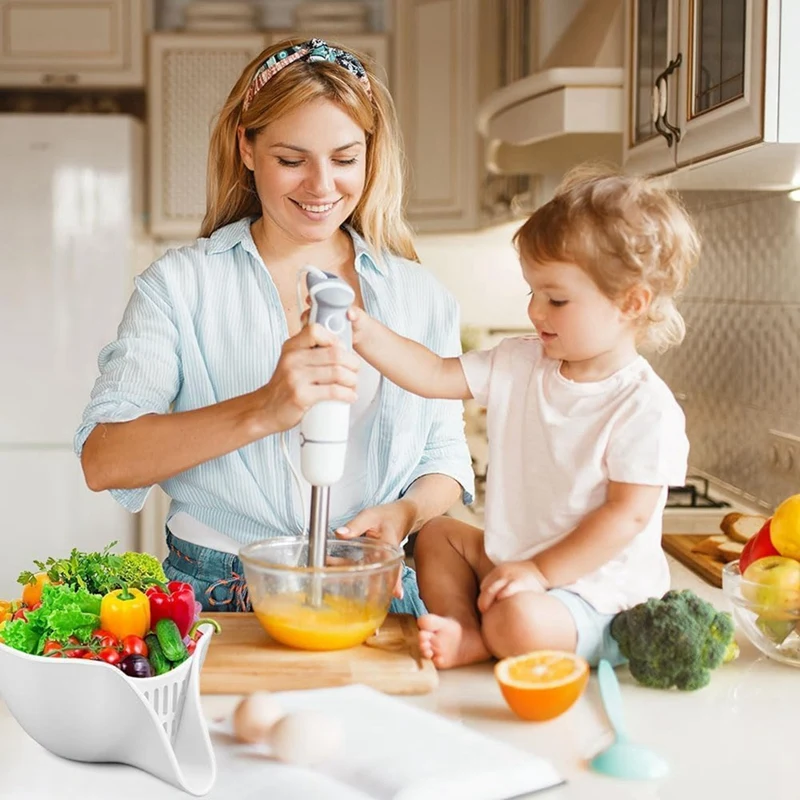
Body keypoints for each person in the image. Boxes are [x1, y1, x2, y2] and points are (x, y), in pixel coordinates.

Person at [75, 38, 474, 615]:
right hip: (217, 591)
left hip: (371, 586)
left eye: (344, 159)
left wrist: (404, 515)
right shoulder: (182, 287)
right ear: (247, 147)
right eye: (292, 160)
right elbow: (103, 460)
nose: (321, 186)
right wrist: (265, 407)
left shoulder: (419, 295)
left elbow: (444, 454)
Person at [347, 166, 701, 668]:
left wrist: (539, 572)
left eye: (556, 299)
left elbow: (627, 517)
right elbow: (432, 373)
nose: (536, 311)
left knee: (519, 620)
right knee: (436, 534)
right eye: (533, 292)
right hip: (521, 569)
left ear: (631, 303)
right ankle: (466, 631)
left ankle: (492, 636)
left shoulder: (645, 408)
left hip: (598, 596)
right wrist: (361, 330)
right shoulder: (520, 361)